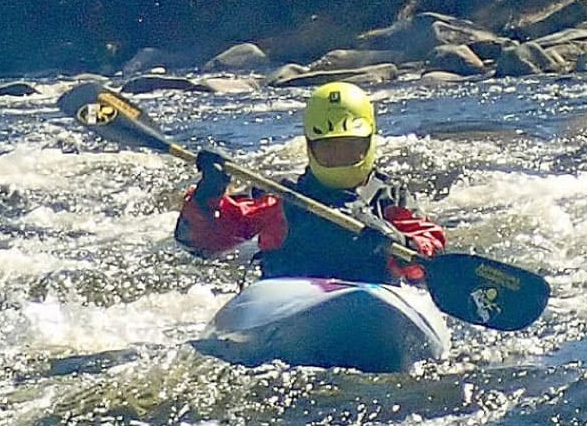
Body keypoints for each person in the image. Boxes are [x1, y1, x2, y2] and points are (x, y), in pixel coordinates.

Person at [174, 81, 446, 284]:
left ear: (370, 142)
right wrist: (209, 194)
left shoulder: (389, 200)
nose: (340, 158)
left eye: (350, 148)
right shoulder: (281, 196)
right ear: (310, 146)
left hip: (369, 299)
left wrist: (398, 241)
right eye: (329, 149)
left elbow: (428, 249)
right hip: (288, 299)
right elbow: (202, 243)